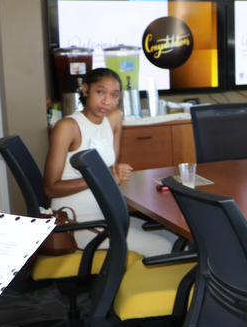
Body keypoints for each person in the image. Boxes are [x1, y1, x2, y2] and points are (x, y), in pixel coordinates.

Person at [44, 68, 175, 256]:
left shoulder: (114, 118)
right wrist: (105, 177)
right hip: (77, 222)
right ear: (86, 89)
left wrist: (114, 174)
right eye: (100, 92)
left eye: (114, 95)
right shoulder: (68, 127)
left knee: (174, 237)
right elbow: (50, 188)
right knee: (165, 246)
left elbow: (110, 169)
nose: (107, 101)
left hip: (105, 214)